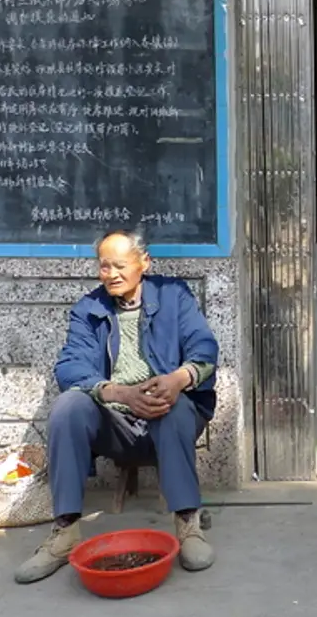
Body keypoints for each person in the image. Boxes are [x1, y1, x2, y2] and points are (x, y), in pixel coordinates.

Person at [14, 230, 220, 584]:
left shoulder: (174, 296)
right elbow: (70, 367)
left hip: (171, 411)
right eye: (104, 265)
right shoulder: (89, 309)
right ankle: (64, 531)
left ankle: (188, 523)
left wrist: (177, 380)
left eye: (119, 266)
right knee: (68, 406)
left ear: (144, 263)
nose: (110, 274)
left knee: (171, 407)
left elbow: (205, 350)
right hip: (115, 419)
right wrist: (119, 393)